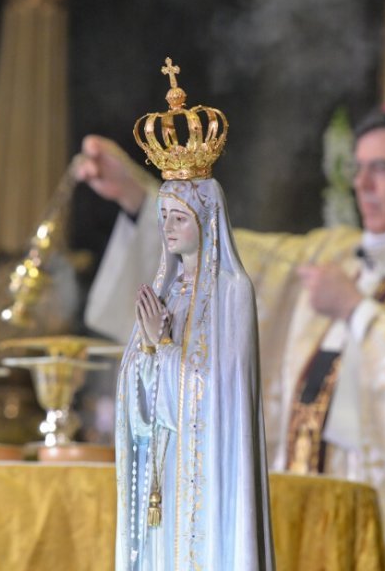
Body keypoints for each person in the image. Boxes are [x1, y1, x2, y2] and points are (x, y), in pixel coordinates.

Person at [81, 97, 385, 571]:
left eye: (381, 169)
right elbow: (230, 256)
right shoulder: (338, 252)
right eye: (357, 168)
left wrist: (356, 312)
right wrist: (139, 195)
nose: (362, 184)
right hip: (306, 508)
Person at [114, 60, 274, 570]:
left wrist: (163, 348)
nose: (168, 228)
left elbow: (222, 402)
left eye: (178, 217)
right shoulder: (167, 291)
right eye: (163, 216)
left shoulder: (232, 292)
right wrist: (145, 356)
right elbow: (137, 400)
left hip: (210, 477)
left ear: (207, 219)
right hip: (166, 469)